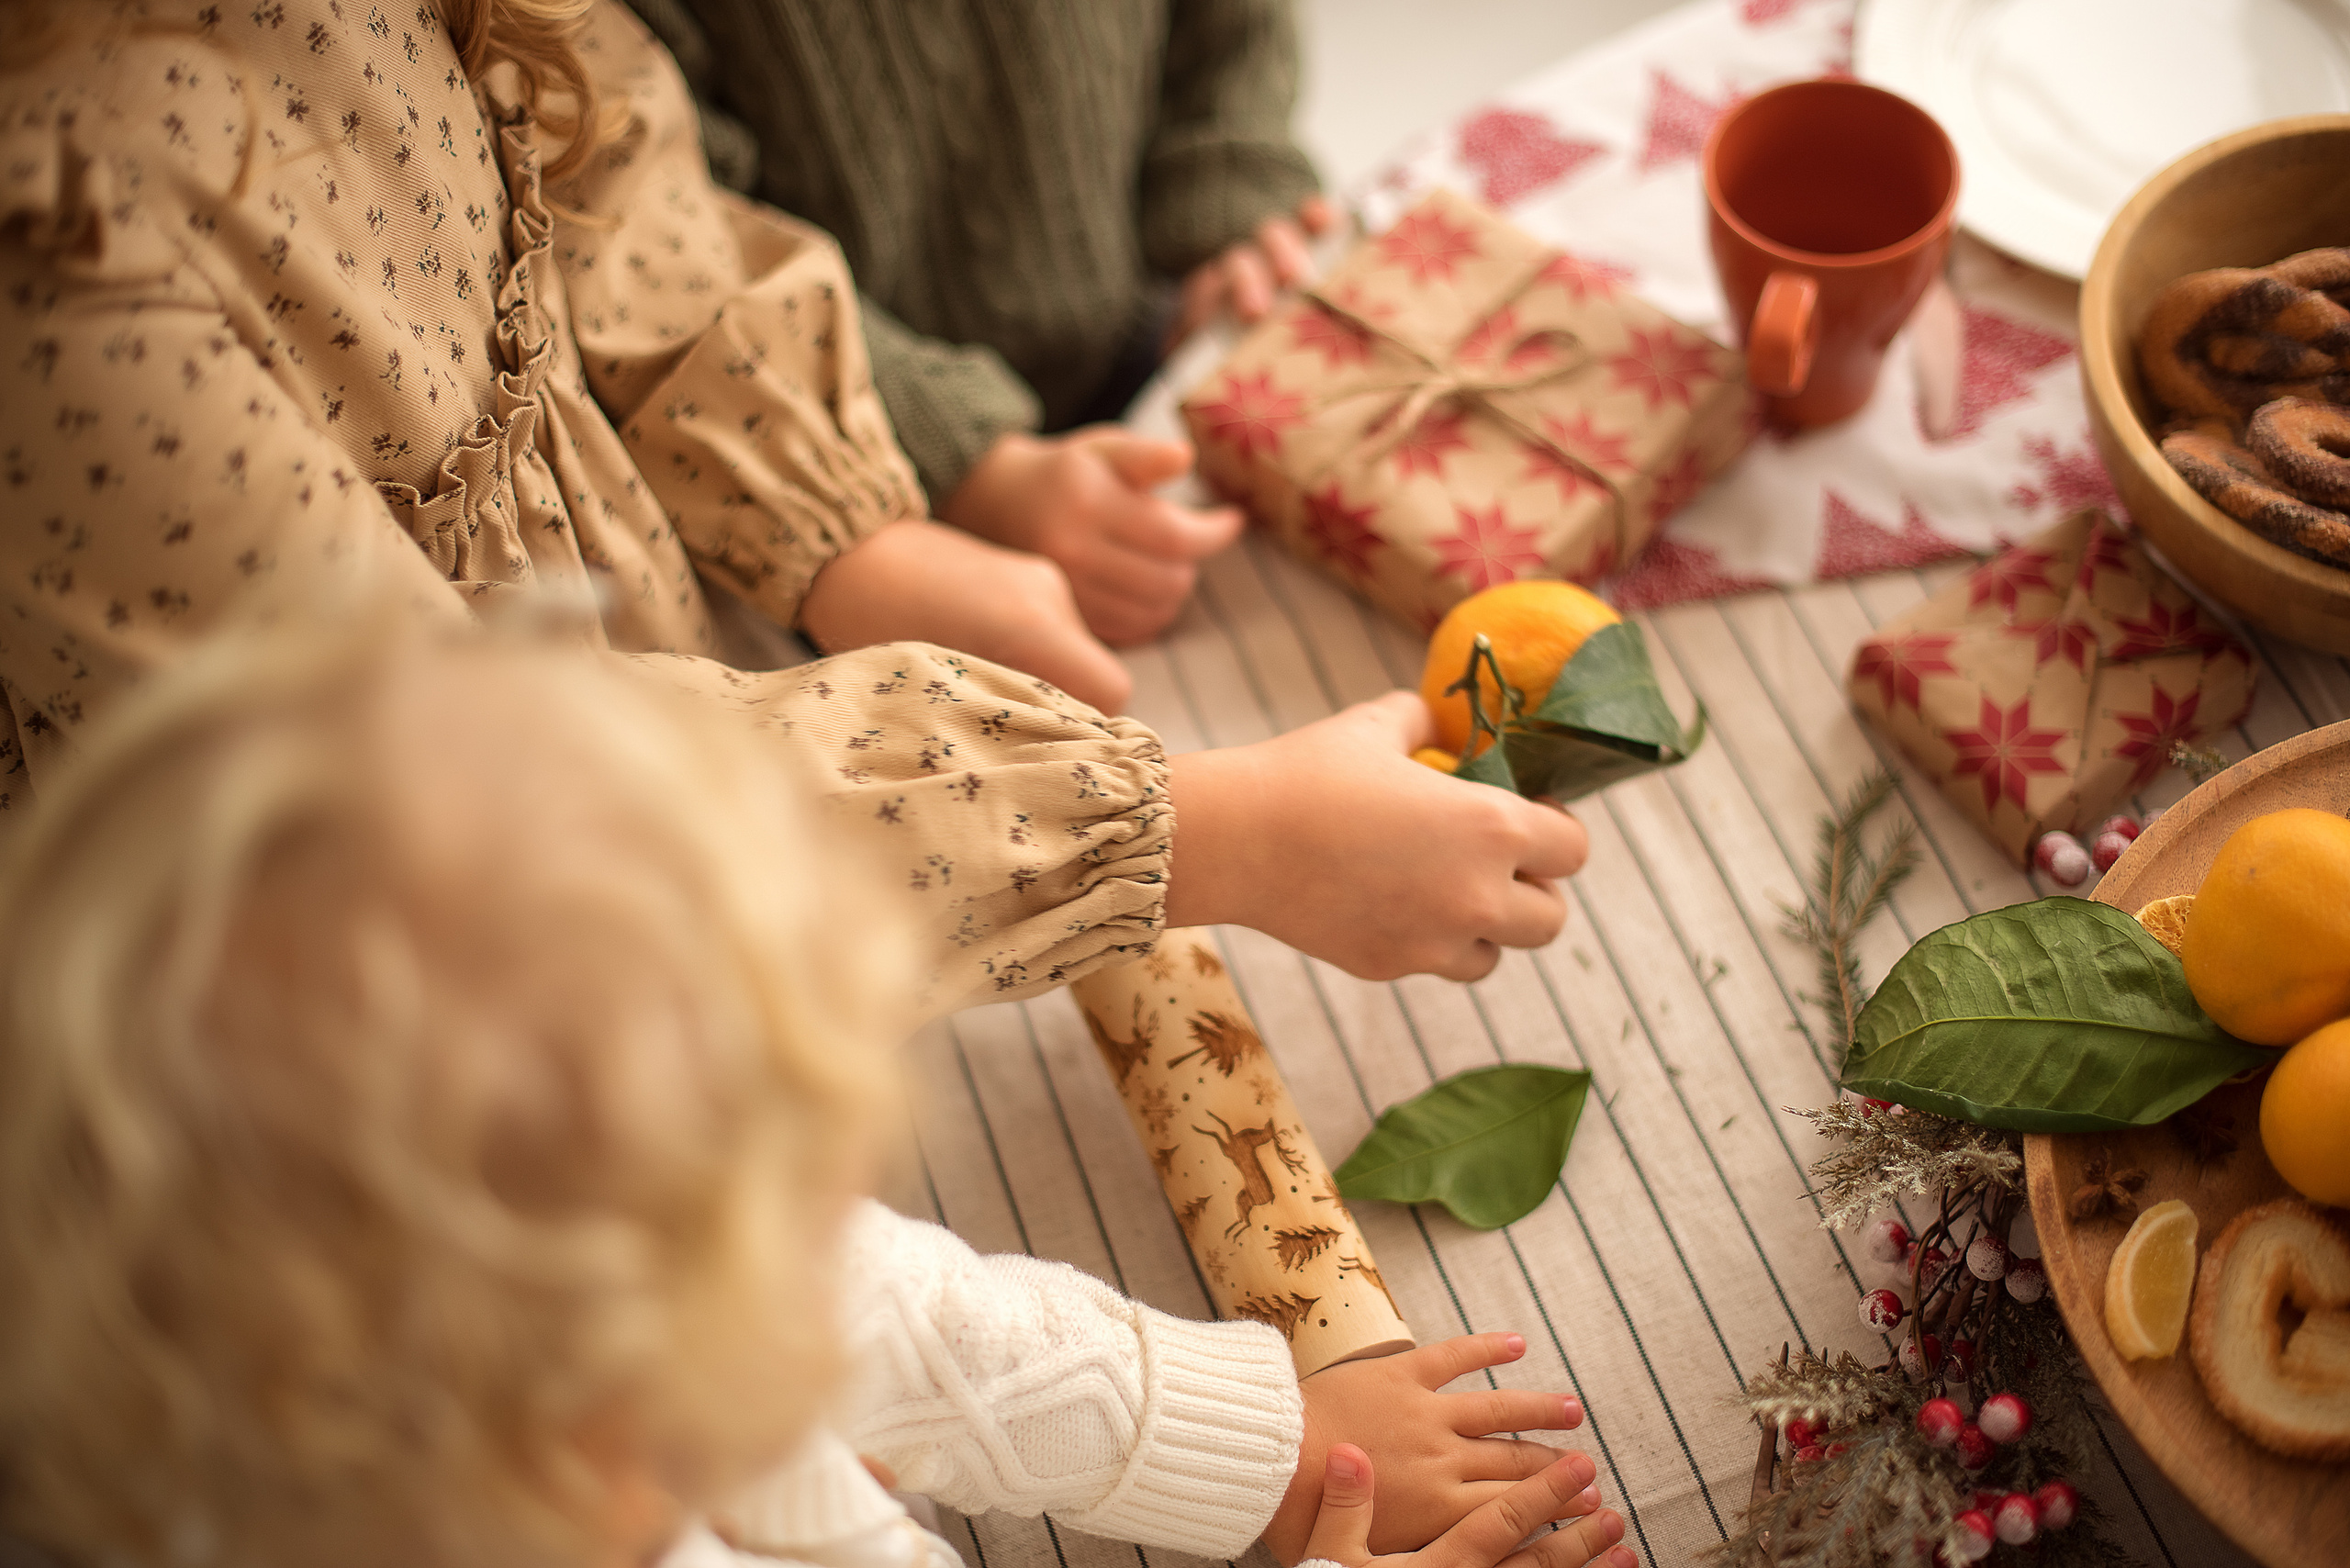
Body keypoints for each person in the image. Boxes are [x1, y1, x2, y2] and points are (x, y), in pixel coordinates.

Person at [0, 0, 1585, 1009]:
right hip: (376, 991)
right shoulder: (58, 252)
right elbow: (456, 797)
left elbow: (611, 183)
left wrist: (848, 530)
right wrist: (1217, 835)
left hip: (654, 766)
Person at [0, 622, 1641, 1568]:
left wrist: (1268, 1450)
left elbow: (902, 1316)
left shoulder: (492, 1313)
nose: (839, 1223)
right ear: (620, 1410)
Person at [633, 0, 1334, 646]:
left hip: (1147, 331)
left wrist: (1222, 211)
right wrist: (975, 475)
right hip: (857, 472)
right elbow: (680, 245)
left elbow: (1229, 28)